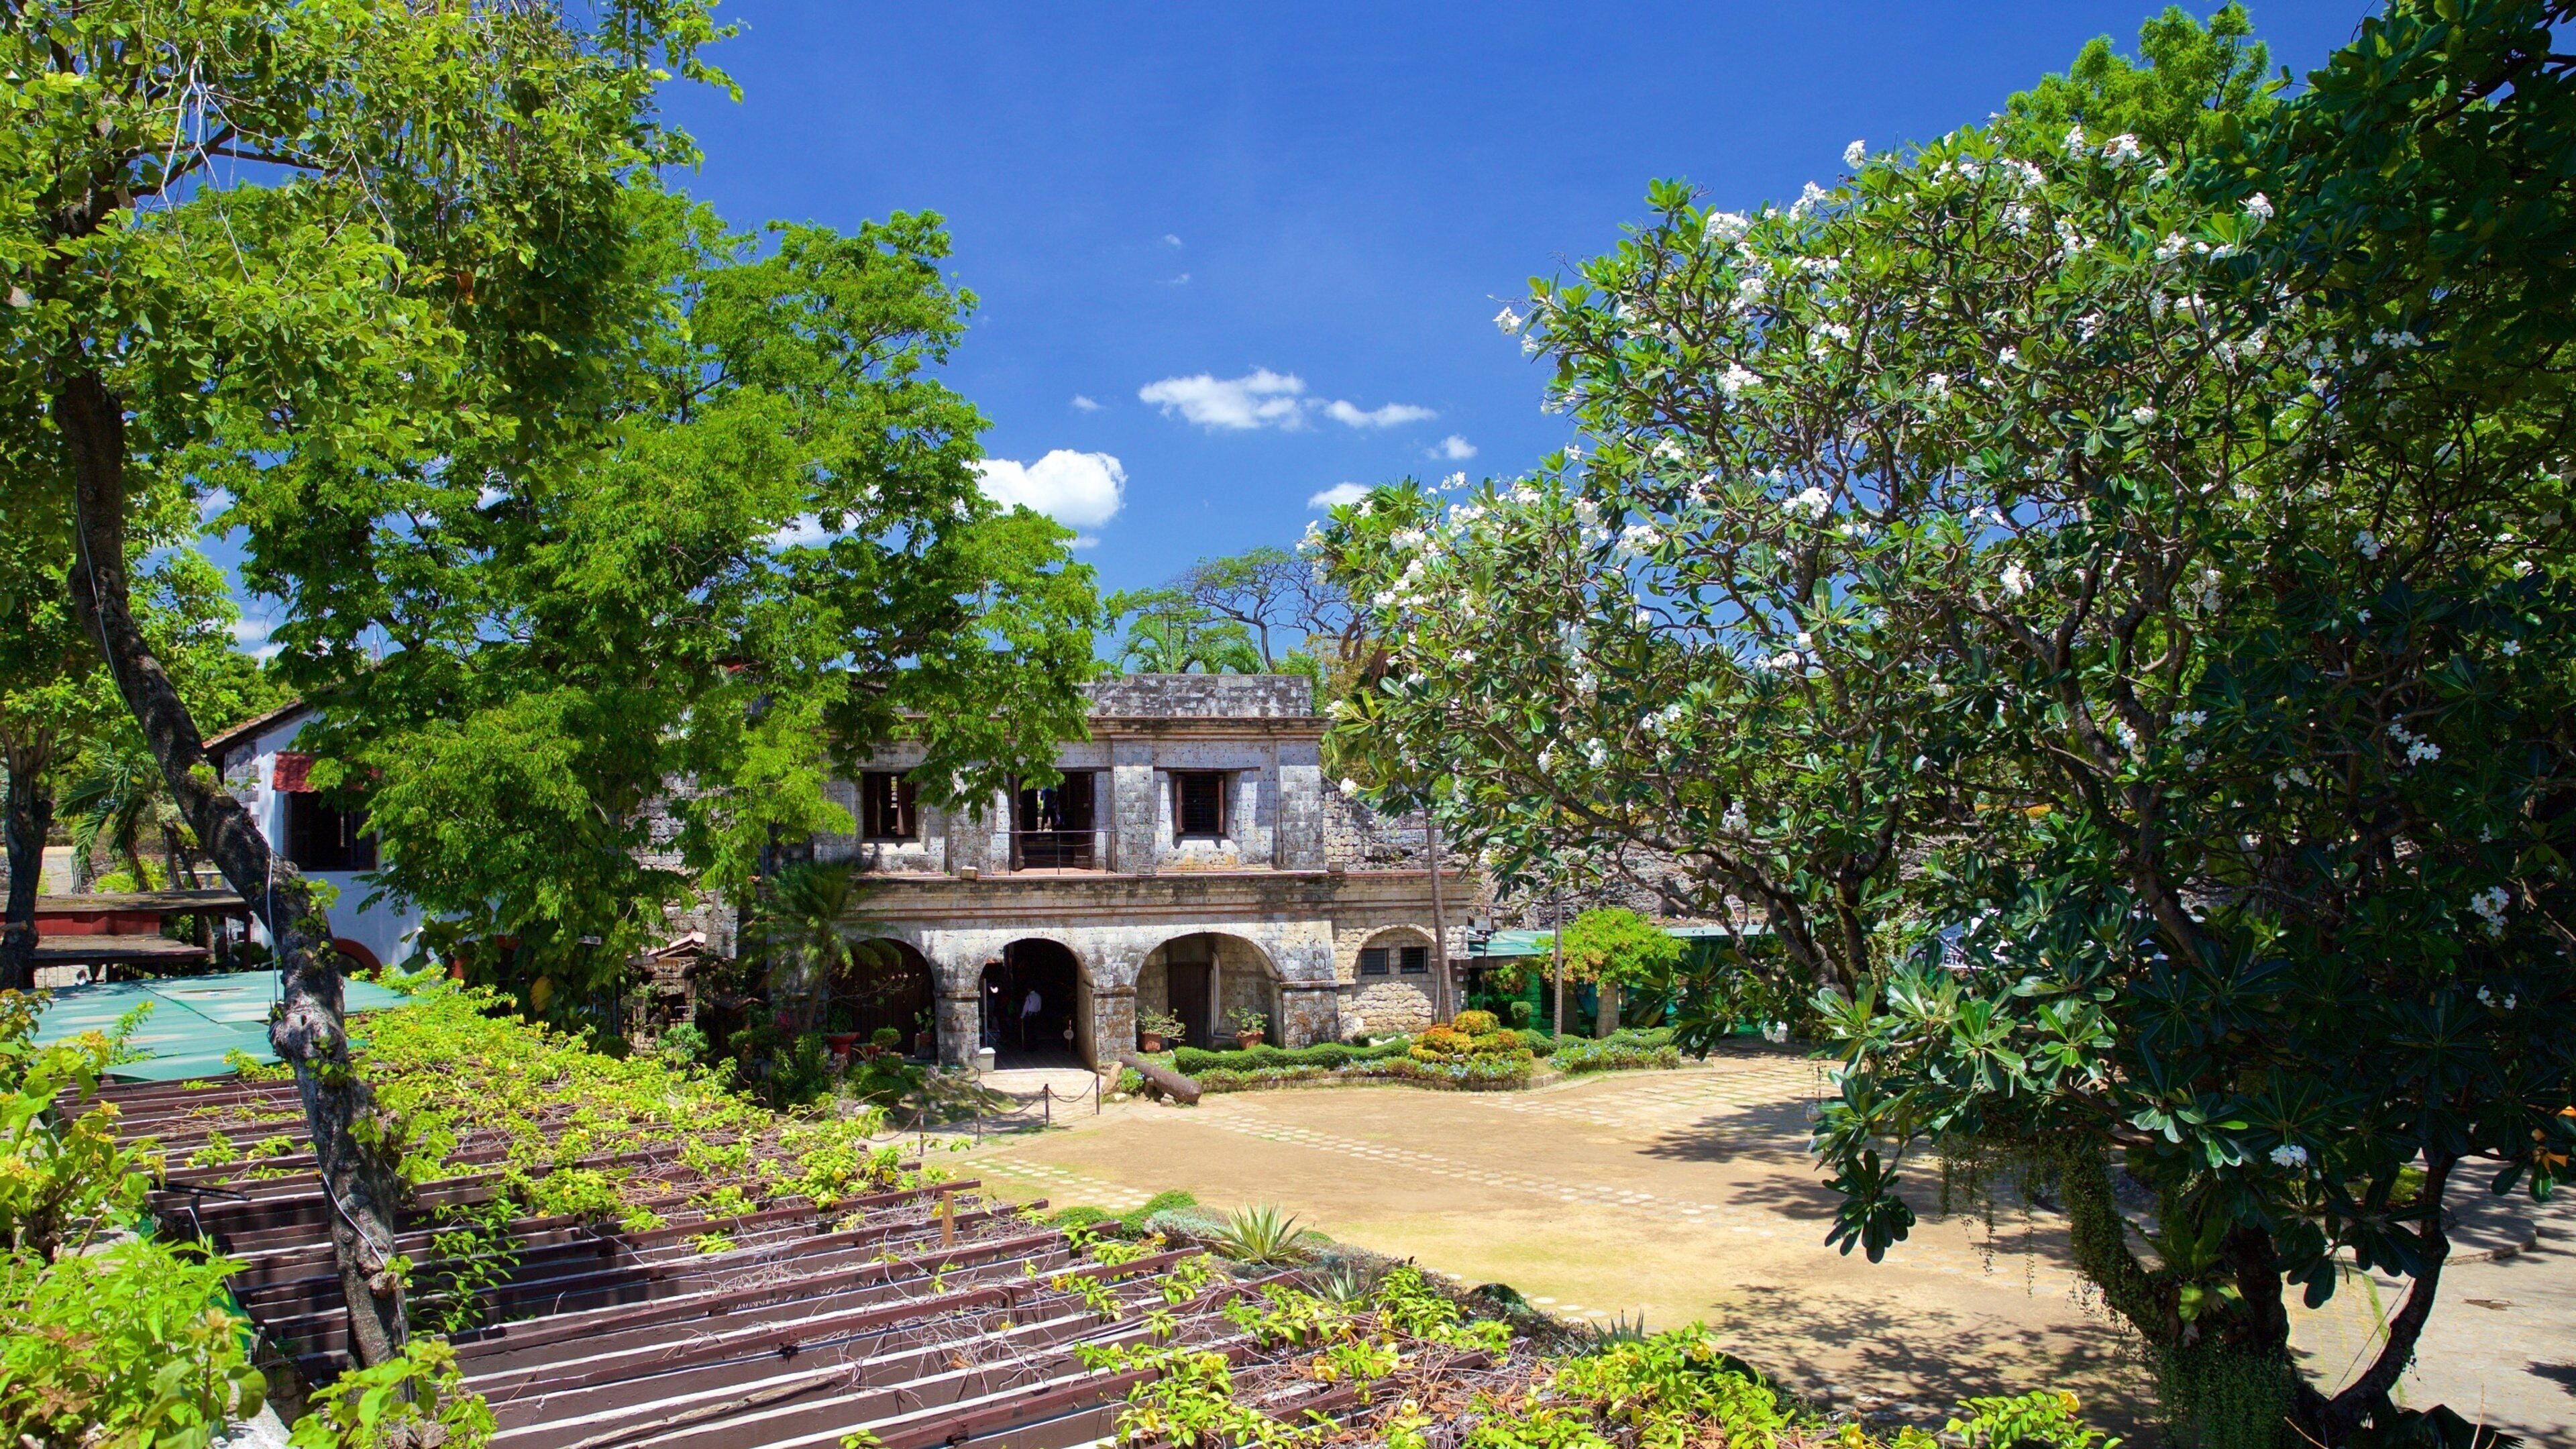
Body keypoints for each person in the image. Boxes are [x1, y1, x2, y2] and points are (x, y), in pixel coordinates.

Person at [1020, 986, 1042, 1050]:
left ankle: (1028, 1046)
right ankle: (1034, 1046)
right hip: (1035, 1014)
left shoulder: (1029, 996)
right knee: (1034, 1030)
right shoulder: (1038, 996)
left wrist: (1022, 1016)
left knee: (1028, 1031)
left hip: (1029, 1015)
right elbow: (1039, 1007)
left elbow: (1026, 1007)